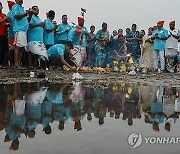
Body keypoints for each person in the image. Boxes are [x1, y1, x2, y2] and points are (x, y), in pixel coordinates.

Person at [11, 0, 33, 67]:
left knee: (22, 47)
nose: (21, 0)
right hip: (19, 29)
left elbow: (27, 20)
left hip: (24, 30)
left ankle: (19, 63)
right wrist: (26, 13)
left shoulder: (22, 8)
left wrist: (30, 15)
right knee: (17, 47)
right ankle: (16, 64)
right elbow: (16, 16)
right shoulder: (15, 7)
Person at [0, 2, 9, 67]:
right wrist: (4, 19)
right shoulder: (5, 17)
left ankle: (1, 63)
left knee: (5, 49)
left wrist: (7, 24)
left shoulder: (4, 15)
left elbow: (6, 22)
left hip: (5, 34)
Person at [7, 1, 15, 67]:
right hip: (11, 34)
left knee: (16, 49)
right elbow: (9, 22)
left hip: (16, 33)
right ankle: (11, 63)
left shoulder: (15, 12)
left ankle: (15, 63)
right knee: (11, 49)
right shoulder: (9, 13)